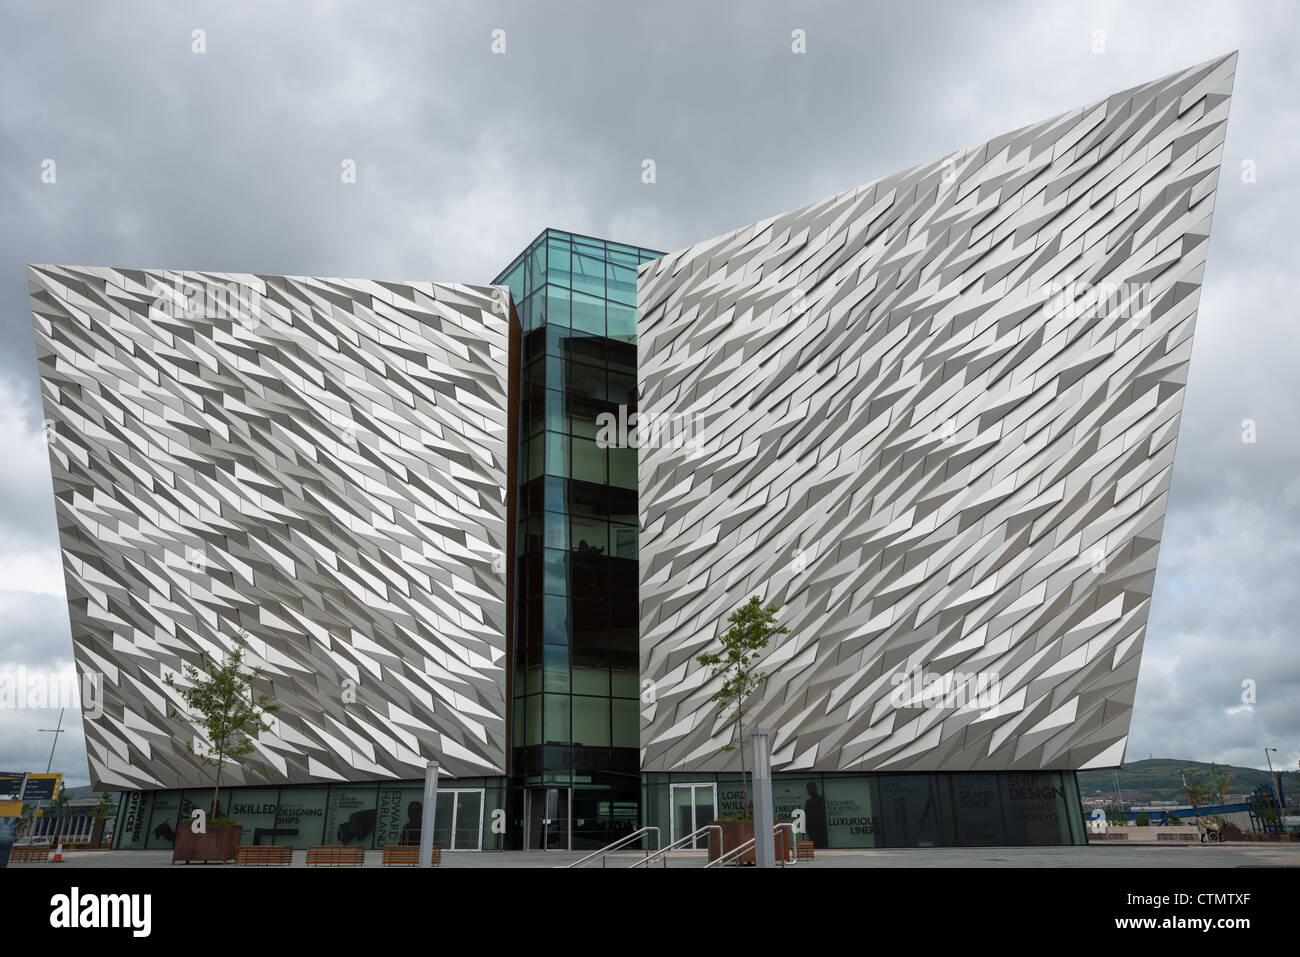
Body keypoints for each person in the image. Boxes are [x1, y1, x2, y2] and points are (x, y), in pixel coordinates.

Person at [804, 782, 828, 847]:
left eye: (809, 790)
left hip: (816, 829)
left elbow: (807, 816)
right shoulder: (820, 799)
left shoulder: (811, 802)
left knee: (818, 845)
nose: (808, 792)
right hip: (817, 828)